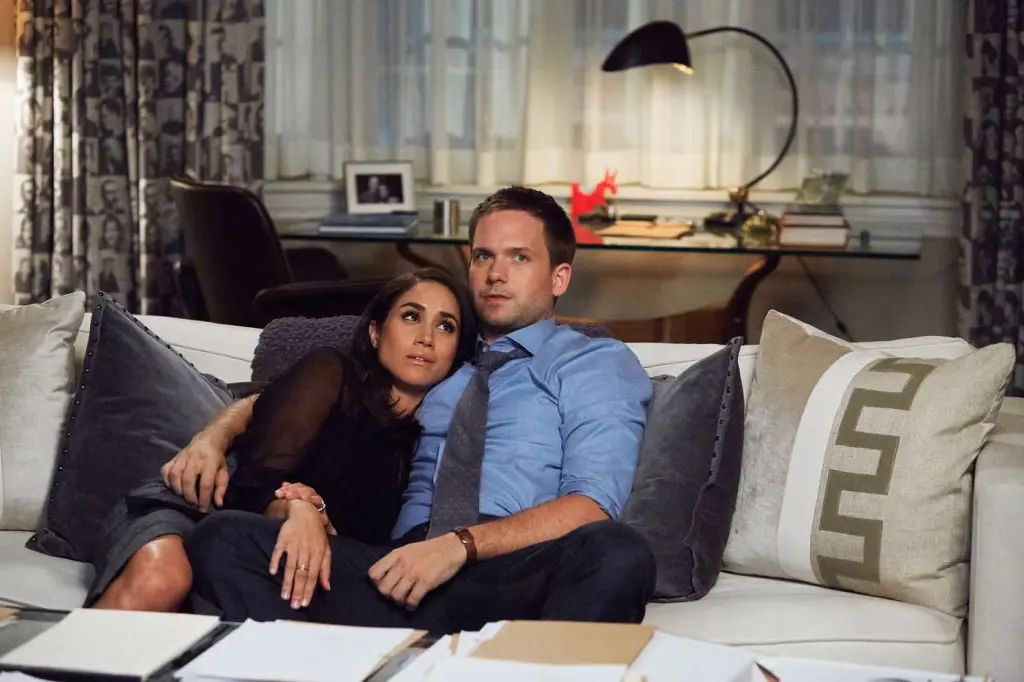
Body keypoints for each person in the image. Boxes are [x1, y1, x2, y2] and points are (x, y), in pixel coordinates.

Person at [179, 186, 656, 630]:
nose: (496, 273)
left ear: (559, 277)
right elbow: (291, 398)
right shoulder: (441, 362)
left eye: (519, 257)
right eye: (484, 256)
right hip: (398, 570)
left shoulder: (591, 361)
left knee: (618, 552)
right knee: (223, 539)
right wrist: (215, 435)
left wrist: (459, 546)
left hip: (510, 569)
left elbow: (593, 506)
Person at [87, 268, 477, 612]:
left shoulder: (443, 439)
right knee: (162, 579)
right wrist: (298, 508)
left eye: (445, 326)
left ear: (457, 351)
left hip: (263, 556)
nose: (426, 338)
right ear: (375, 333)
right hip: (204, 501)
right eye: (411, 316)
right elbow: (251, 486)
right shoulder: (332, 374)